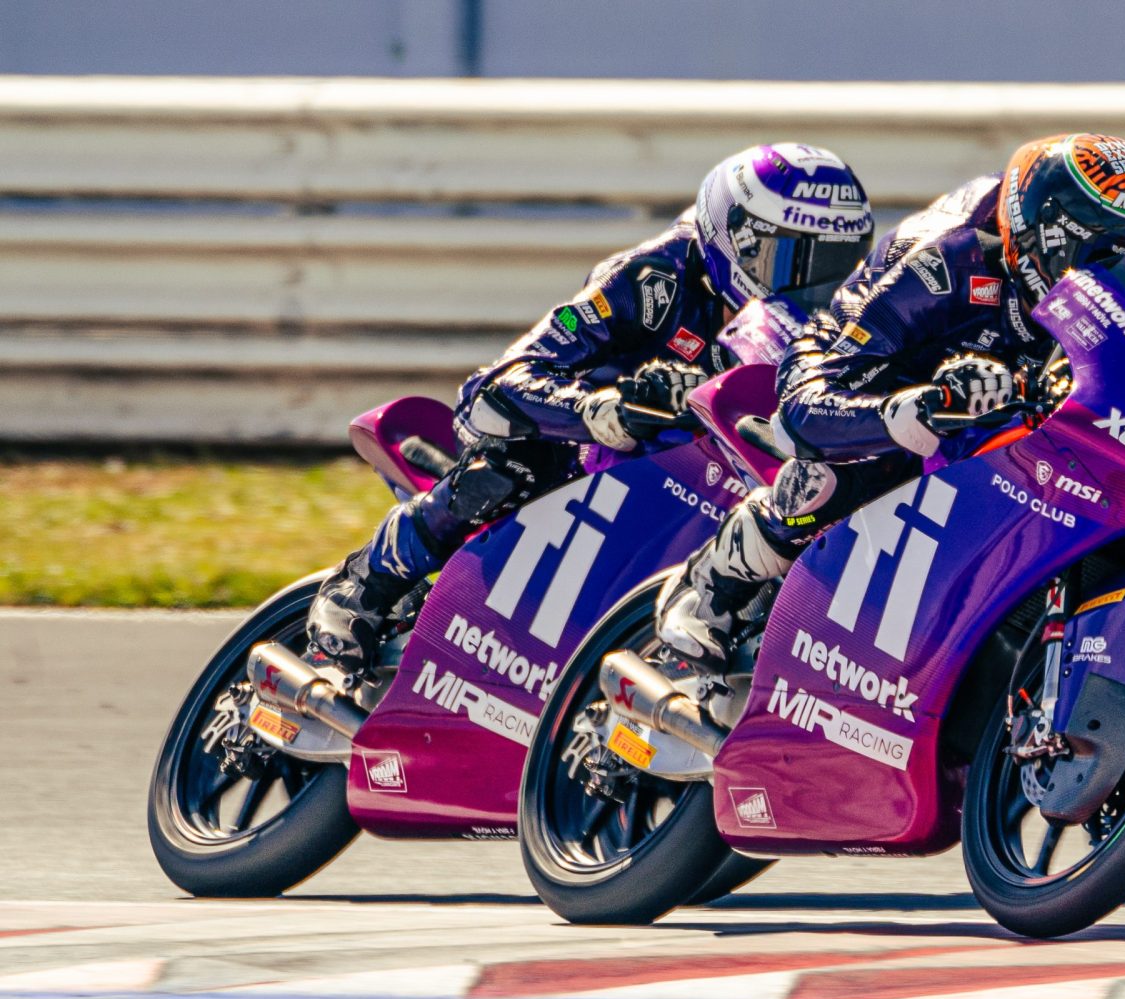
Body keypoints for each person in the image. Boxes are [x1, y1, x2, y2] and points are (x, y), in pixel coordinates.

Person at [308, 143, 875, 675]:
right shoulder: (651, 279)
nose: (815, 287)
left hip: (710, 477)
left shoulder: (837, 324)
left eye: (837, 265)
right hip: (590, 456)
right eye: (795, 262)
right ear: (738, 239)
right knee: (516, 463)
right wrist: (606, 409)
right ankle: (365, 585)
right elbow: (495, 388)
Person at [655, 132, 1125, 673]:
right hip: (859, 364)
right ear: (1048, 239)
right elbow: (809, 404)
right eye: (1111, 264)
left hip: (1001, 389)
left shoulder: (1113, 310)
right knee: (841, 469)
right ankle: (710, 586)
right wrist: (918, 404)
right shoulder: (946, 258)